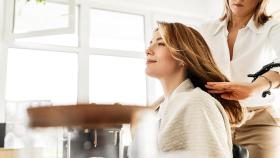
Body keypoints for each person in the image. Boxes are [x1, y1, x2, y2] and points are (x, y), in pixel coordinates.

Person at [141, 21, 244, 157]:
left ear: (182, 57)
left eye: (161, 43)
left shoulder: (197, 102)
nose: (148, 50)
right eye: (150, 43)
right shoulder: (160, 108)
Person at [198, 0, 280, 157]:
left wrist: (253, 88)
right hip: (215, 122)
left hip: (258, 123)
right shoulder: (205, 29)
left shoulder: (273, 28)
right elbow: (187, 71)